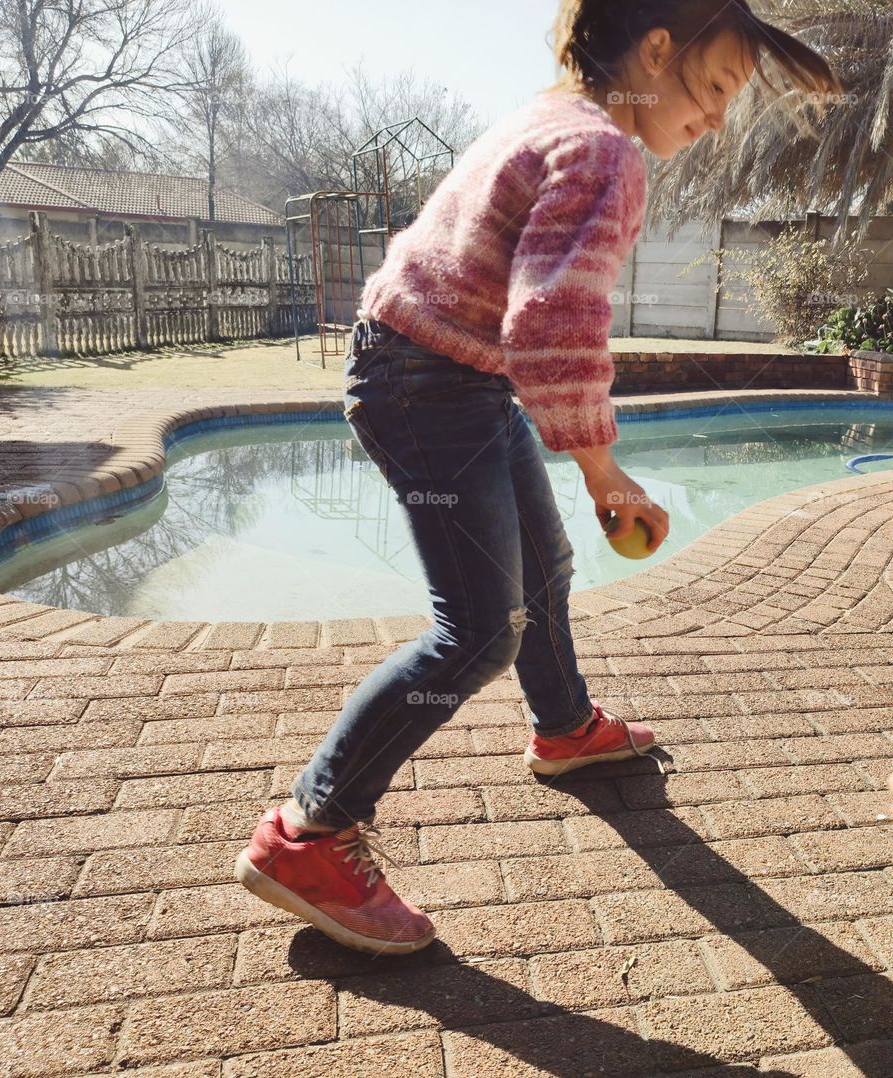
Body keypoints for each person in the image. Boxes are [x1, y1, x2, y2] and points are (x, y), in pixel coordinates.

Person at [236, 0, 843, 956]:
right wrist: (607, 474)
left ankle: (564, 727)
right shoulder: (607, 150)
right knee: (477, 629)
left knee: (545, 568)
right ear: (655, 52)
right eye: (717, 87)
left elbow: (520, 321)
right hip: (432, 378)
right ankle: (308, 834)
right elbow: (552, 325)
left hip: (434, 366)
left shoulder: (547, 115)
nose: (719, 119)